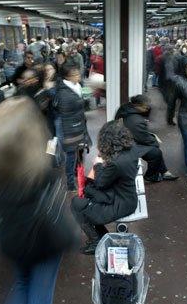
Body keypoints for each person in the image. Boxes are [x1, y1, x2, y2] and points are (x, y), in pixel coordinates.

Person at [0, 98, 79, 304]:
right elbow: (57, 171)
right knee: (41, 301)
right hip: (46, 241)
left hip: (14, 240)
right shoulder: (40, 163)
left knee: (20, 289)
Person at [71, 120, 140, 255]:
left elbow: (101, 182)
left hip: (120, 203)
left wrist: (97, 164)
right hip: (125, 196)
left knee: (76, 204)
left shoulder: (116, 163)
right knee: (85, 196)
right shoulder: (131, 149)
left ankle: (97, 241)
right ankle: (101, 237)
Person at [115, 95, 178, 182]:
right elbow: (143, 139)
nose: (147, 108)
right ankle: (150, 176)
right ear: (137, 105)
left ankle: (164, 172)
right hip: (126, 145)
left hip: (125, 138)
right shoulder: (136, 121)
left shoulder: (125, 109)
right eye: (145, 107)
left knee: (154, 147)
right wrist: (155, 142)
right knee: (155, 152)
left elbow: (139, 134)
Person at [53, 64, 90, 192]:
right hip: (69, 129)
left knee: (78, 152)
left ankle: (77, 175)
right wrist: (82, 102)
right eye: (75, 74)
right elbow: (66, 113)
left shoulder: (77, 86)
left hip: (78, 125)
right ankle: (70, 183)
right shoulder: (64, 93)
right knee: (71, 155)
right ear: (68, 77)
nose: (79, 76)